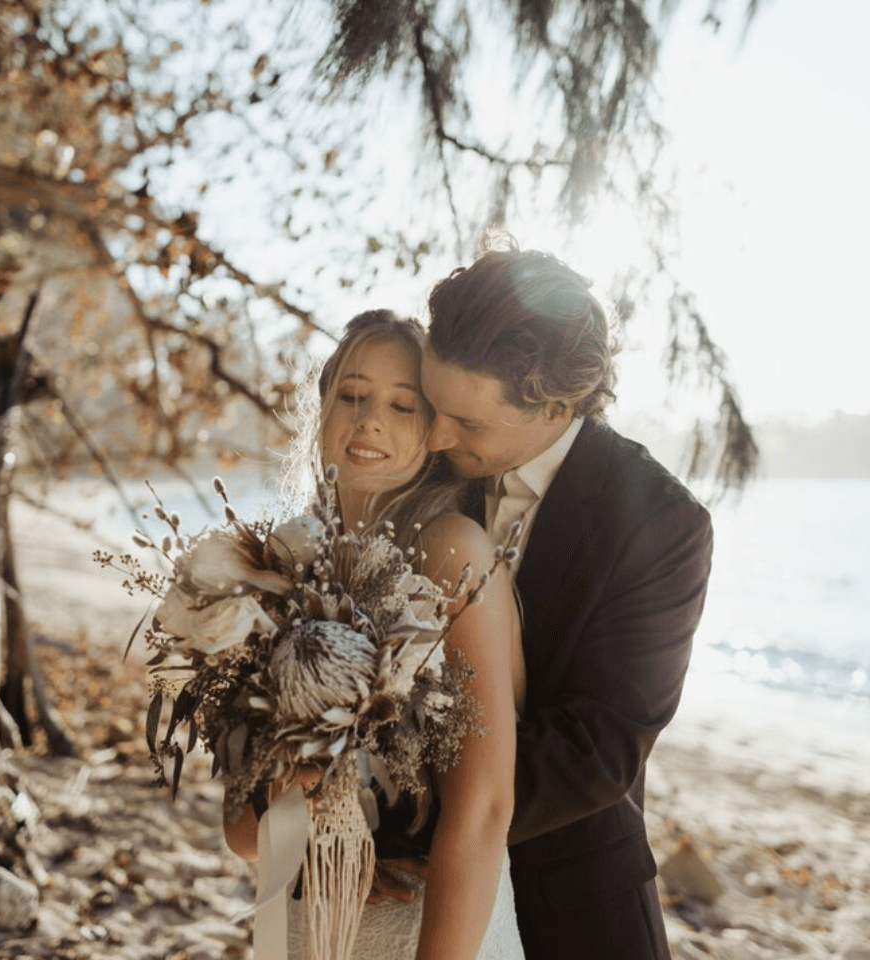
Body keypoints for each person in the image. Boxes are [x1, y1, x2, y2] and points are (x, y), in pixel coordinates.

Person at [418, 238, 714, 960]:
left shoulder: (662, 522)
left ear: (556, 404)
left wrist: (395, 813)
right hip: (404, 905)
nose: (433, 434)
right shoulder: (421, 471)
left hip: (573, 906)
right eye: (431, 404)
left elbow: (598, 749)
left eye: (467, 423)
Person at [223, 310, 527, 960]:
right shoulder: (280, 566)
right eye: (352, 396)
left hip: (433, 927)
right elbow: (243, 836)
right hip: (306, 918)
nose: (369, 421)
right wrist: (297, 792)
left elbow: (484, 812)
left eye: (402, 404)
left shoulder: (453, 554)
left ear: (436, 428)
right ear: (323, 408)